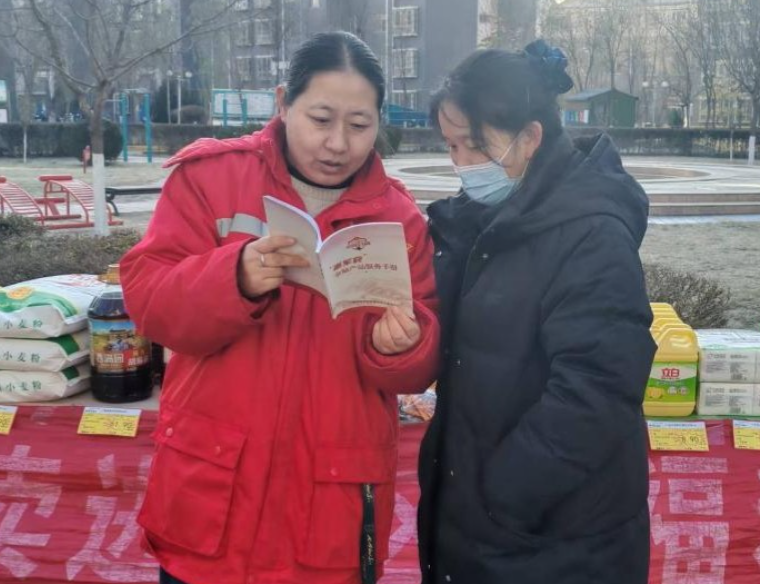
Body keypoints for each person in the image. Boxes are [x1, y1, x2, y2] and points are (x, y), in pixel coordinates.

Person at [120, 32, 439, 584]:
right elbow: (150, 301)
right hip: (212, 491)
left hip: (332, 504)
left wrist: (403, 347)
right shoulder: (211, 179)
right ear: (283, 103)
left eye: (359, 125)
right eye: (321, 119)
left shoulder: (399, 218)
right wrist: (234, 277)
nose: (338, 143)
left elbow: (418, 363)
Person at [416, 40, 657, 584]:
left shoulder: (591, 234)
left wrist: (503, 495)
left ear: (529, 137)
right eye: (451, 146)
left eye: (475, 146)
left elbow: (597, 390)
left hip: (553, 538)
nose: (461, 164)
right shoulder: (478, 220)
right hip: (482, 523)